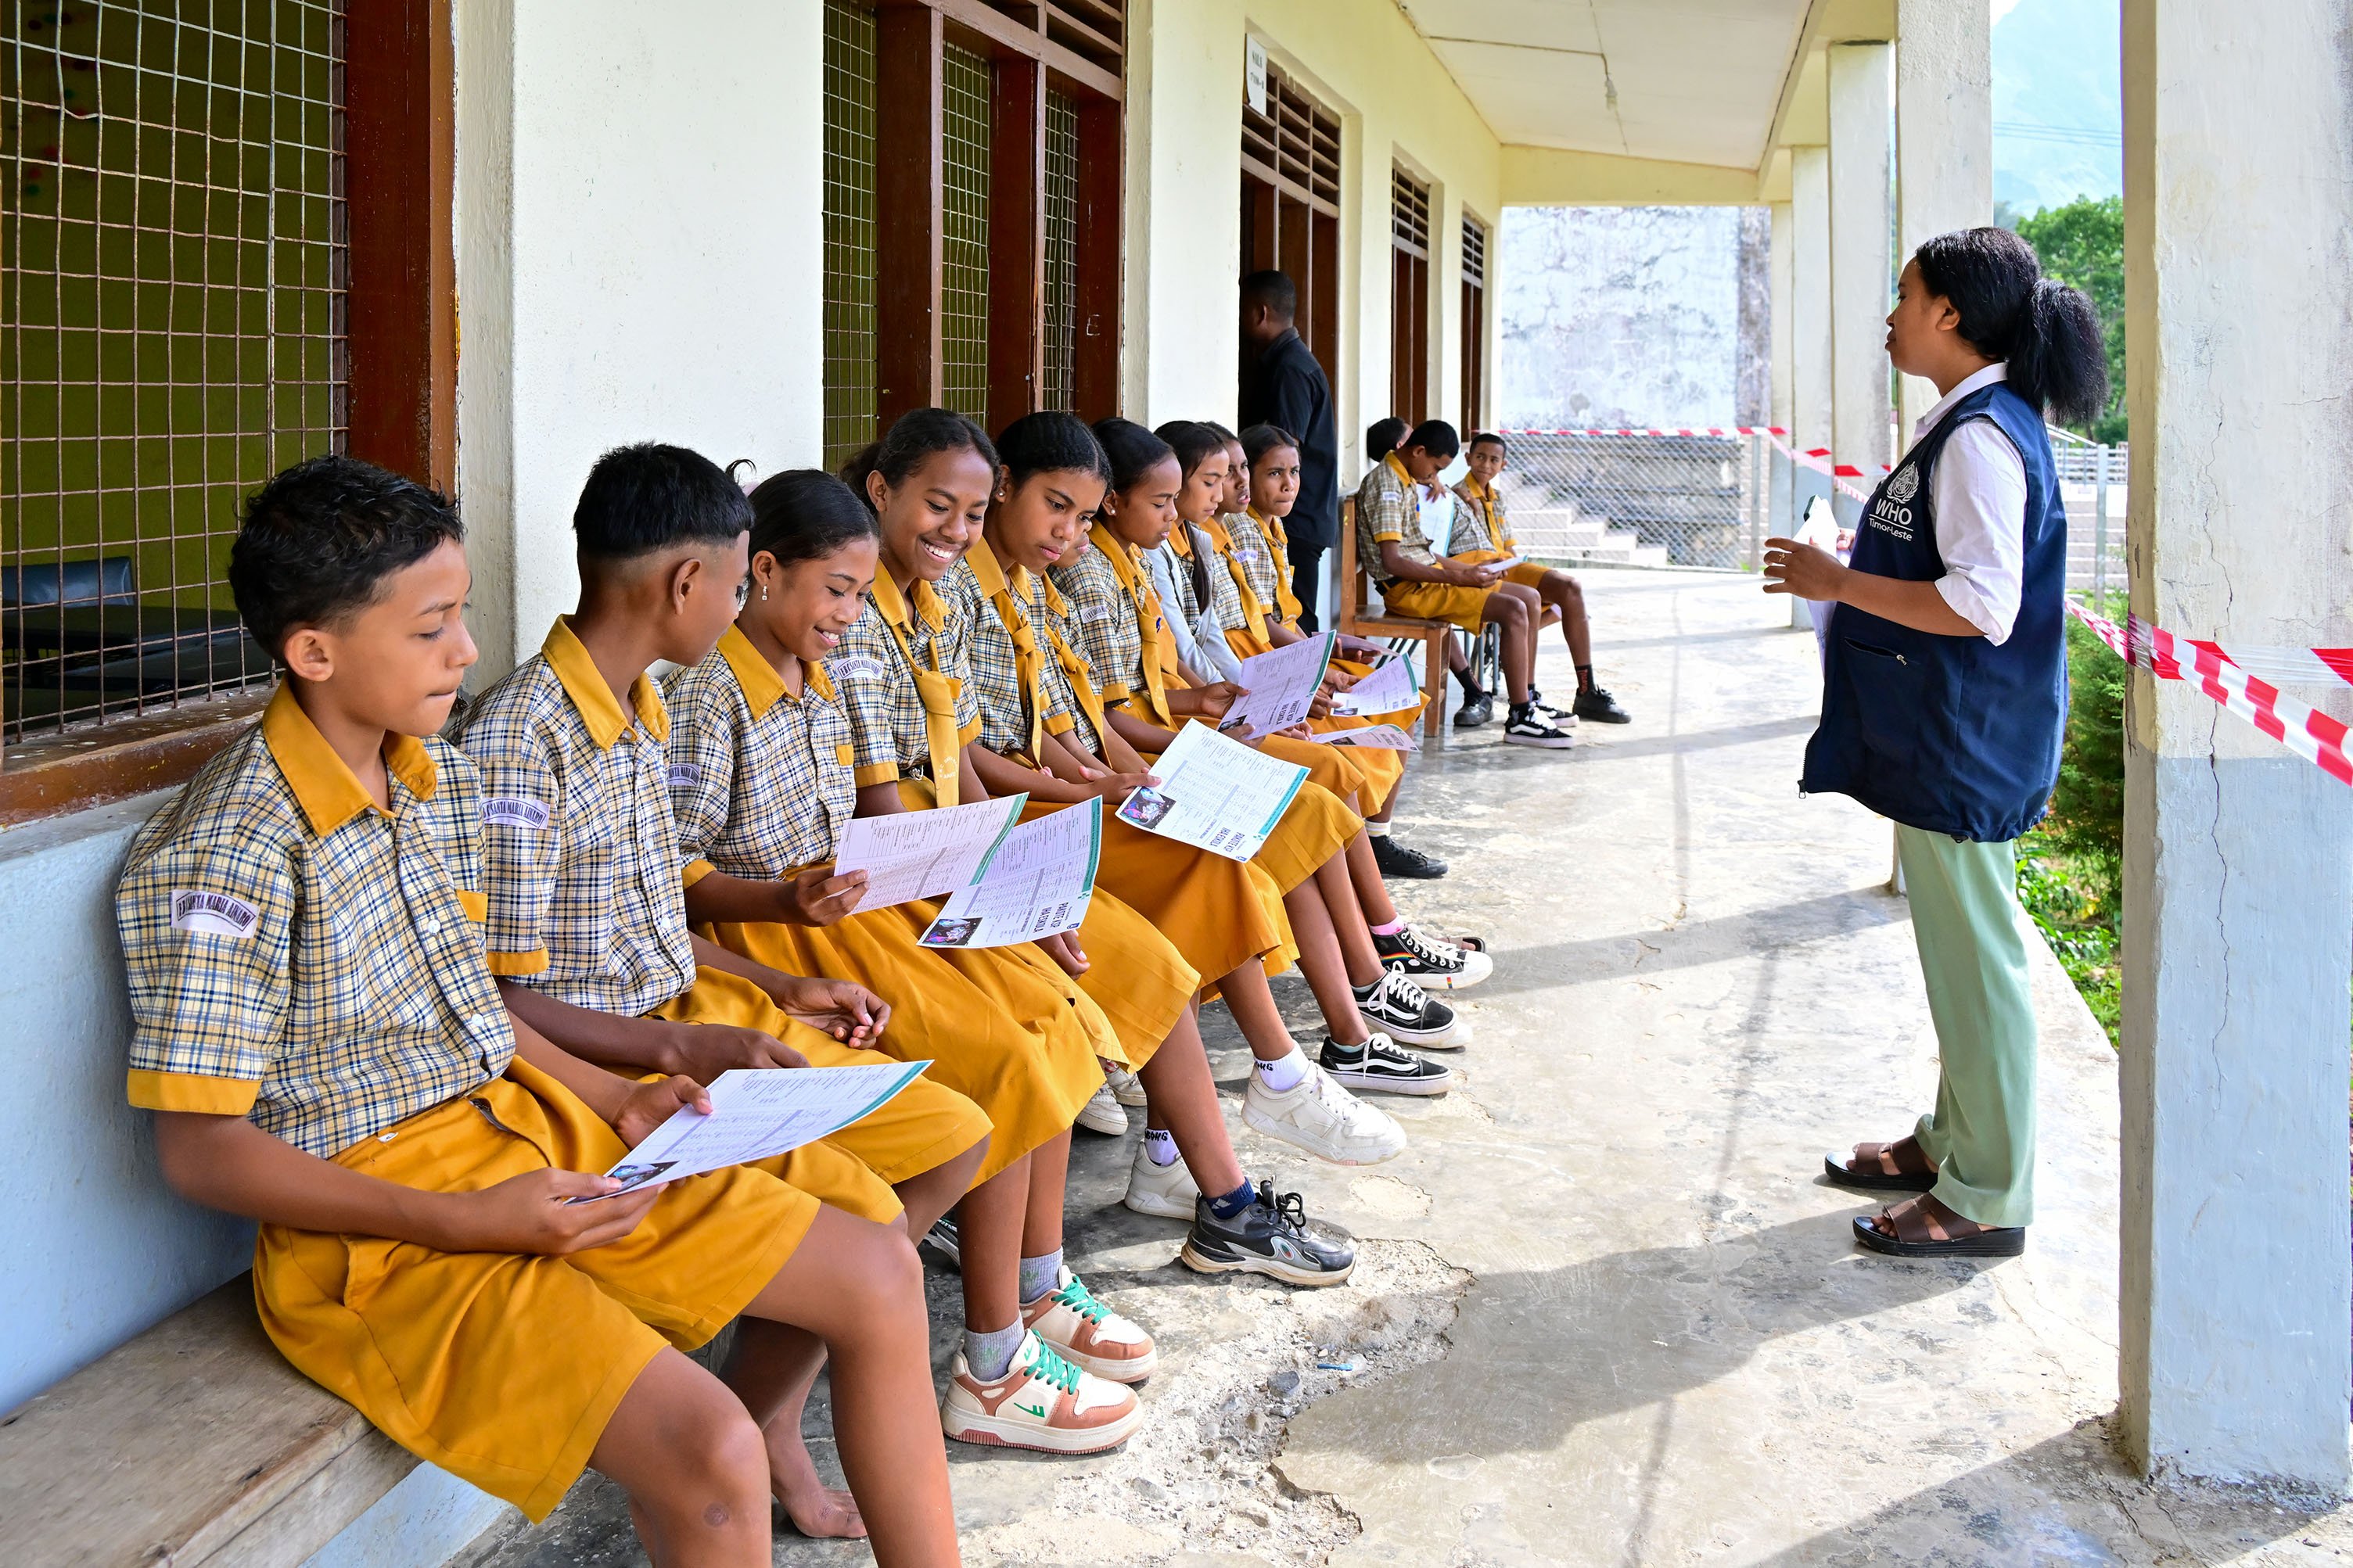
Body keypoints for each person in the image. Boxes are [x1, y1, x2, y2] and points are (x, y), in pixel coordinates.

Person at [120, 454, 961, 1566]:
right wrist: (469, 1221)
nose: (467, 650)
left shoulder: (432, 779)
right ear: (314, 652)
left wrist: (615, 1095)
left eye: (461, 617)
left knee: (880, 1271)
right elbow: (201, 1150)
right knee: (711, 1450)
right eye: (432, 629)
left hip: (528, 1123)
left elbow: (473, 1002)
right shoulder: (228, 850)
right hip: (379, 1223)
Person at [451, 445, 1007, 1513]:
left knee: (944, 1139)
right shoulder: (524, 739)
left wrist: (776, 984)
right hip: (601, 1062)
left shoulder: (640, 709)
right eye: (738, 578)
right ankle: (765, 1429)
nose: (741, 603)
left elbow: (656, 917)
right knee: (867, 1224)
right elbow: (502, 998)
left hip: (692, 1015)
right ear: (686, 584)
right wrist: (680, 1043)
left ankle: (768, 1413)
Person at [659, 465, 1163, 1453]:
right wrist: (787, 902)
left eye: (859, 595)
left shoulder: (817, 684)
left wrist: (988, 889)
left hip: (852, 906)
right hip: (769, 936)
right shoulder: (709, 697)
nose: (849, 615)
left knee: (1048, 1012)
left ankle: (1033, 1284)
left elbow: (864, 824)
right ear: (762, 572)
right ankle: (991, 1363)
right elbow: (674, 876)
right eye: (835, 591)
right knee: (1001, 1058)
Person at [1766, 225, 2108, 1260]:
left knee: (1979, 969)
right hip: (1954, 735)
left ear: (1949, 314)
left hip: (1967, 742)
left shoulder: (1980, 438)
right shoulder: (1971, 422)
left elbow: (1981, 604)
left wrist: (1838, 582)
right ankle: (1952, 1142)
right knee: (1959, 964)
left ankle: (1988, 1192)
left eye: (1905, 294)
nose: (1891, 314)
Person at [1356, 420, 1578, 749]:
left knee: (1530, 597)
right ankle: (1520, 717)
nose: (1433, 475)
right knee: (1514, 609)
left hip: (1425, 578)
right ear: (1418, 451)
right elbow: (1394, 562)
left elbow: (1420, 552)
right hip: (1408, 591)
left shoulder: (1405, 477)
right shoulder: (1387, 484)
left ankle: (1527, 699)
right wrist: (1461, 577)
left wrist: (1470, 569)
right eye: (1435, 467)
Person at [1454, 432, 1633, 723]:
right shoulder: (1456, 495)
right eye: (1480, 457)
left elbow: (1509, 546)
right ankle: (1528, 695)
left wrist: (1515, 563)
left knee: (1570, 589)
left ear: (1503, 465)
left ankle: (1587, 691)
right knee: (1531, 601)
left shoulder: (1497, 498)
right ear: (1468, 459)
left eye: (1494, 460)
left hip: (1506, 564)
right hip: (1480, 568)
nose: (1486, 464)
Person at [1238, 270, 1338, 631]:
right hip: (1295, 514)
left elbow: (1285, 448)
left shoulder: (1291, 368)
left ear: (1259, 313)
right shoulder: (1287, 361)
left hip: (1296, 516)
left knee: (1297, 620)